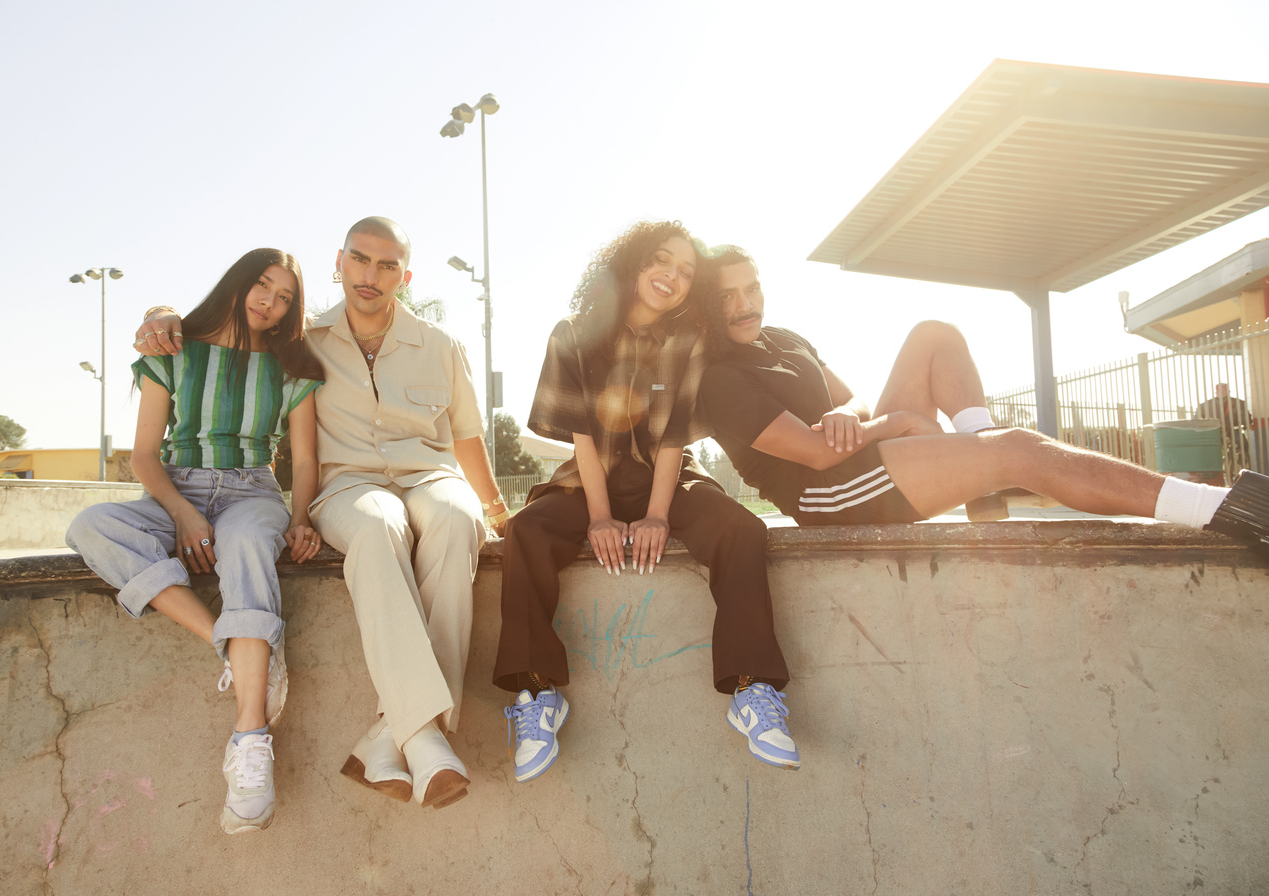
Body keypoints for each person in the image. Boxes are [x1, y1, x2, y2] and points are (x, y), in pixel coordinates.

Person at [135, 217, 508, 811]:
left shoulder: (442, 346)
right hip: (348, 486)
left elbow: (466, 438)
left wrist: (494, 507)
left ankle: (401, 733)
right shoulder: (299, 338)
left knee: (455, 520)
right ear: (339, 262)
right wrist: (161, 314)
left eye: (387, 265)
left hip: (430, 475)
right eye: (360, 259)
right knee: (380, 526)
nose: (371, 275)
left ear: (405, 276)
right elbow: (228, 327)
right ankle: (424, 737)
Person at [693, 245, 1269, 549]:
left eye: (753, 287)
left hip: (865, 452)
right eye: (727, 297)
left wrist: (857, 415)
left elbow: (856, 405)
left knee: (933, 335)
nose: (746, 304)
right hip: (833, 492)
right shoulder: (720, 377)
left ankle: (983, 477)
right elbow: (818, 455)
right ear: (704, 307)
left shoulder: (786, 339)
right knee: (1020, 449)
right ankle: (1223, 510)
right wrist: (887, 428)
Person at [493, 221, 800, 784]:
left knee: (741, 530)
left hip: (669, 475)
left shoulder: (689, 342)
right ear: (634, 264)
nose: (672, 277)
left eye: (686, 272)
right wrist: (600, 515)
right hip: (589, 480)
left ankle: (752, 690)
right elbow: (583, 438)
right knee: (526, 532)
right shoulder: (573, 335)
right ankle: (537, 697)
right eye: (662, 261)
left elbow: (676, 436)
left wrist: (658, 514)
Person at [67, 247, 324, 835]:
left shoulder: (292, 368)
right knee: (92, 527)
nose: (270, 302)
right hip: (174, 487)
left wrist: (301, 516)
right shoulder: (174, 351)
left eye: (285, 297)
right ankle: (232, 644)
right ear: (238, 283)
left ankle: (251, 741)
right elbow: (142, 455)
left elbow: (305, 459)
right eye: (263, 285)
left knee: (247, 545)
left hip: (252, 490)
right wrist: (182, 514)